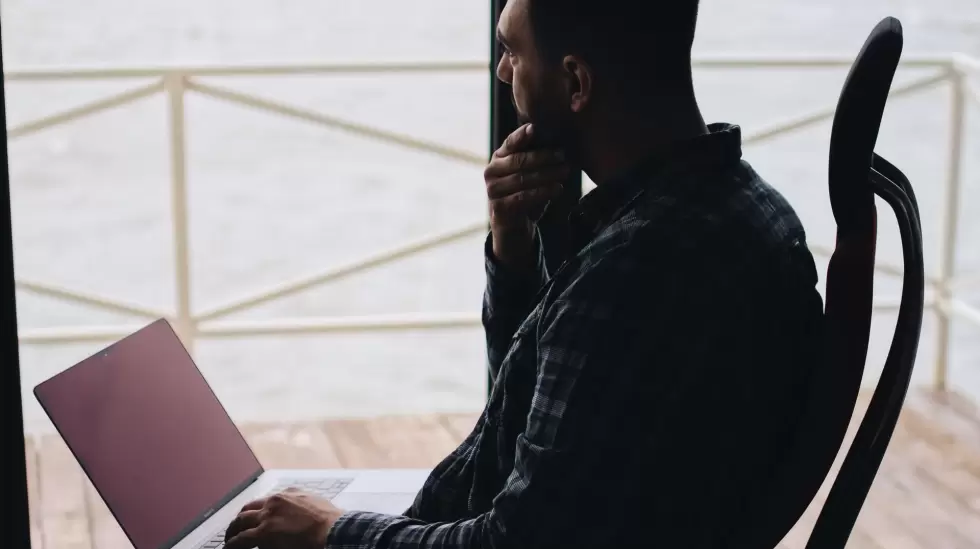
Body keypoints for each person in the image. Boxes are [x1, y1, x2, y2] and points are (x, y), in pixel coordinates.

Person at [223, 0, 826, 547]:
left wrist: (333, 532)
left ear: (574, 82)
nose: (503, 74)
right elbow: (535, 415)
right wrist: (515, 247)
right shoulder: (743, 208)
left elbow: (516, 542)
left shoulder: (640, 270)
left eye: (511, 51)